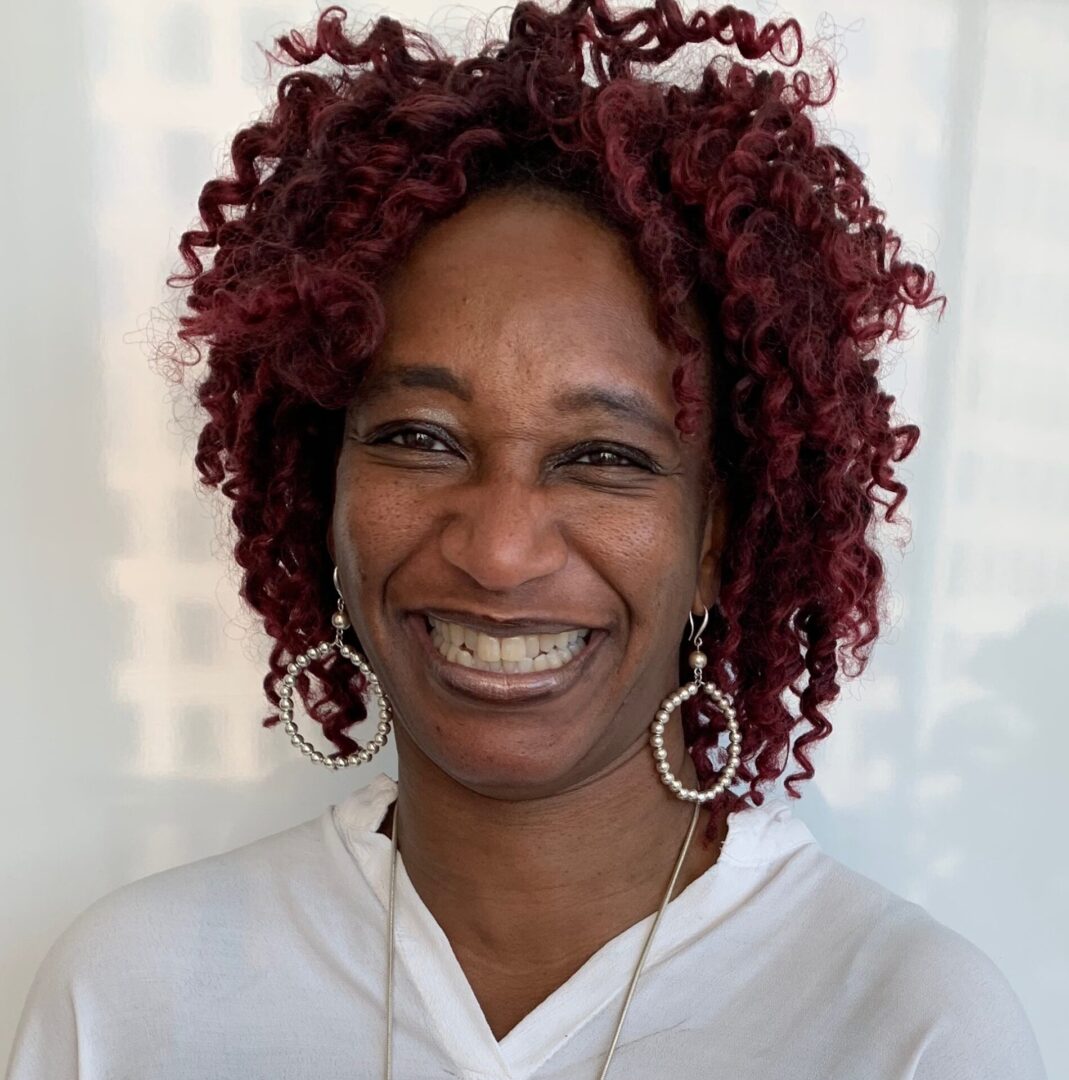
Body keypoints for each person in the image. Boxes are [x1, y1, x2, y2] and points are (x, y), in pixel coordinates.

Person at [5, 1, 1049, 1077]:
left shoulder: (907, 1030)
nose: (498, 551)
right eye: (419, 438)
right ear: (324, 490)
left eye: (603, 456)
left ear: (716, 535)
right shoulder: (131, 1000)